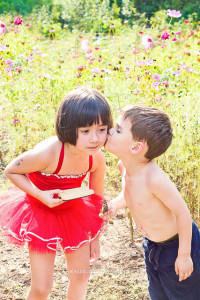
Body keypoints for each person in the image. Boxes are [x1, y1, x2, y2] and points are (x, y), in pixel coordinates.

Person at [0, 87, 112, 300]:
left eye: (101, 129)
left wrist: (94, 238)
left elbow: (97, 199)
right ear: (68, 128)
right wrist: (41, 195)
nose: (95, 139)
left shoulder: (95, 158)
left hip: (74, 213)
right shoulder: (48, 152)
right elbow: (11, 170)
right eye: (85, 131)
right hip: (41, 212)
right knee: (43, 287)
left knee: (81, 276)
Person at [102, 105, 200, 300]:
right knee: (158, 293)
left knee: (183, 294)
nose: (109, 131)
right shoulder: (124, 166)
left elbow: (182, 213)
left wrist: (184, 255)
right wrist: (114, 204)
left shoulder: (153, 178)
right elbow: (130, 196)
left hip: (177, 246)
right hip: (152, 245)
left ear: (136, 147)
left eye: (118, 129)